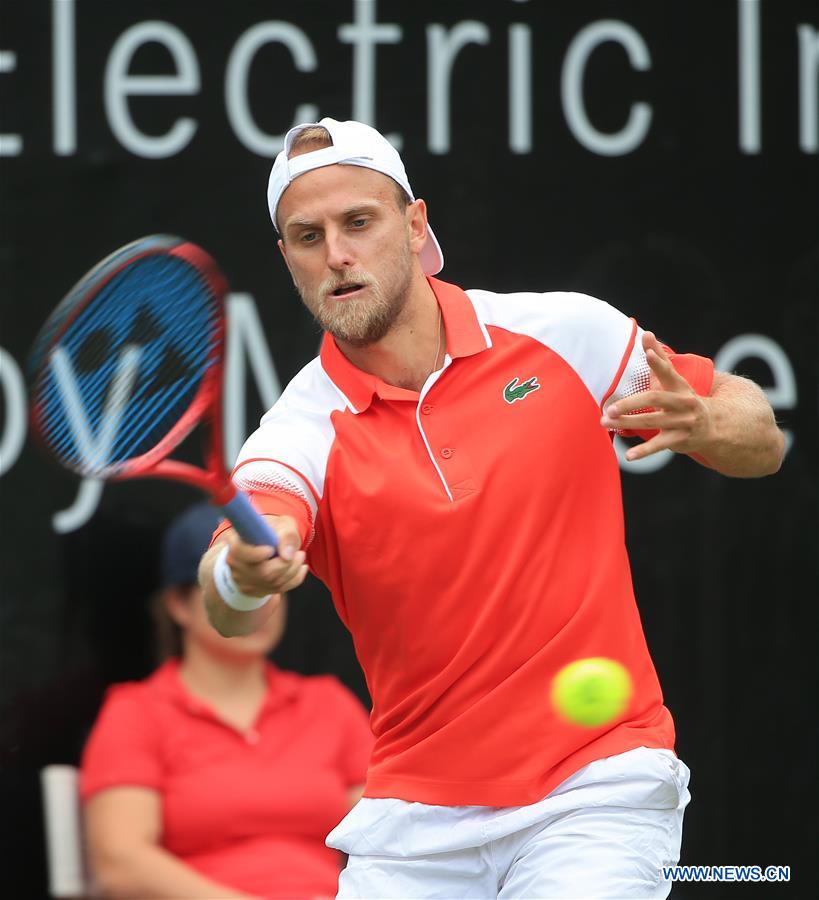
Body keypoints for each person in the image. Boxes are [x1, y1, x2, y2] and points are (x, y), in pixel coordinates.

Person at [199, 118, 785, 899]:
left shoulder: (563, 337)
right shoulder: (298, 431)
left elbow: (760, 437)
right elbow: (229, 594)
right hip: (412, 830)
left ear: (414, 226)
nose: (336, 254)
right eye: (307, 236)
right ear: (287, 259)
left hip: (595, 791)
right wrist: (244, 570)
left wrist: (707, 423)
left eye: (359, 223)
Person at [80, 502, 374, 900]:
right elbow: (121, 863)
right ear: (178, 605)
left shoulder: (328, 705)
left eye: (269, 586)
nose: (258, 604)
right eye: (234, 586)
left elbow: (391, 831)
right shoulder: (137, 713)